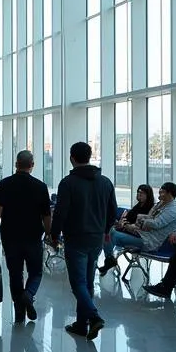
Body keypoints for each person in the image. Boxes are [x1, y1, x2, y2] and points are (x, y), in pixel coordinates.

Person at [48, 141, 118, 340]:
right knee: (87, 282)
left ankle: (93, 317)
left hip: (76, 237)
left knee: (78, 282)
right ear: (89, 156)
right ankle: (81, 323)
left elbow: (60, 213)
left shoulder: (68, 183)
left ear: (72, 158)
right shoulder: (105, 182)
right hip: (96, 238)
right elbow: (112, 211)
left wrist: (54, 235)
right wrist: (104, 229)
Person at [0, 150, 52, 323]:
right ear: (32, 165)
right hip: (33, 237)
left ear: (16, 164)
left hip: (11, 237)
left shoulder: (4, 184)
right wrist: (49, 233)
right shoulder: (40, 186)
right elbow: (46, 215)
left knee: (15, 274)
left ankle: (19, 312)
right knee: (36, 272)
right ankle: (28, 294)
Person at [98, 181, 176, 275]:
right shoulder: (160, 204)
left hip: (150, 241)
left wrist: (141, 221)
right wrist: (143, 221)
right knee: (108, 233)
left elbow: (156, 223)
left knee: (110, 234)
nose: (159, 194)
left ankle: (109, 259)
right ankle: (109, 259)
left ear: (169, 194)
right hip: (143, 234)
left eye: (162, 192)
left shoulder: (173, 209)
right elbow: (150, 218)